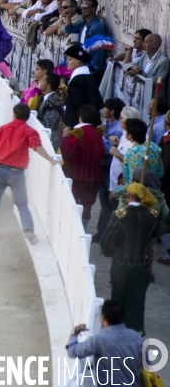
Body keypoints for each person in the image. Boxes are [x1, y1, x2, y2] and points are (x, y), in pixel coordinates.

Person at [0, 104, 60, 249]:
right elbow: (37, 147)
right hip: (17, 173)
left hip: (0, 170)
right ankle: (29, 230)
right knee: (22, 205)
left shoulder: (3, 129)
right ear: (28, 117)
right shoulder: (30, 131)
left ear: (14, 114)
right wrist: (51, 159)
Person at [101, 183, 160, 333]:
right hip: (142, 265)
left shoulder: (120, 215)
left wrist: (109, 253)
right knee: (137, 300)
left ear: (128, 197)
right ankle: (135, 331)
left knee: (117, 298)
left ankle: (114, 329)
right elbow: (155, 235)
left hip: (121, 264)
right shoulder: (153, 215)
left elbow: (106, 239)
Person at [66, 300, 143, 387]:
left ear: (102, 317)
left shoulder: (99, 340)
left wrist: (74, 332)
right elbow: (148, 367)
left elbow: (72, 351)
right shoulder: (136, 337)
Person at [61, 105, 105, 229]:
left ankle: (72, 231)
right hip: (94, 178)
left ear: (80, 118)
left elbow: (67, 153)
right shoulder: (97, 133)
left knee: (71, 205)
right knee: (87, 207)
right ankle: (83, 231)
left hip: (77, 177)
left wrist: (65, 138)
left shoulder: (78, 133)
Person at [94, 98, 125, 242]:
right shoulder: (107, 124)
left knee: (111, 200)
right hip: (103, 166)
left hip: (109, 167)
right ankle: (102, 232)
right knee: (104, 201)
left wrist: (101, 137)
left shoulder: (117, 129)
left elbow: (110, 150)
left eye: (105, 108)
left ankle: (109, 235)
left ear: (112, 111)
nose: (103, 110)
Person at [112, 118, 164, 201]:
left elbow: (133, 183)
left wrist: (115, 193)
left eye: (126, 130)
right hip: (153, 193)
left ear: (130, 135)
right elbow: (160, 172)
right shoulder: (152, 147)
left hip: (137, 197)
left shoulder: (133, 154)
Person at [64, 0, 107, 83]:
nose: (83, 8)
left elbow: (98, 52)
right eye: (82, 6)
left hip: (91, 72)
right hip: (84, 67)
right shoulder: (85, 23)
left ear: (94, 9)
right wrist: (68, 15)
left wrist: (92, 71)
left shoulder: (96, 27)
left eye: (86, 6)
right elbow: (69, 30)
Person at [63, 45, 104, 128]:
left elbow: (80, 107)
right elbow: (98, 102)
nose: (67, 61)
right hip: (92, 123)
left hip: (77, 126)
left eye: (70, 59)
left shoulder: (76, 82)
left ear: (78, 62)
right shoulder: (89, 77)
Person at [108, 106, 141, 200]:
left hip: (124, 188)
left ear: (129, 120)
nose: (119, 119)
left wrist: (117, 154)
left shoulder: (137, 138)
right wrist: (117, 144)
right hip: (115, 183)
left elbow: (135, 162)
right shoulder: (125, 133)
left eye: (121, 118)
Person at [37, 73, 64, 150]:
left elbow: (47, 124)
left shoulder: (54, 102)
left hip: (49, 142)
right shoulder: (45, 98)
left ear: (48, 86)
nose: (40, 82)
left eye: (42, 81)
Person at [158, 110, 170, 266]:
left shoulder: (167, 139)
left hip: (167, 184)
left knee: (165, 220)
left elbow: (166, 163)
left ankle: (168, 255)